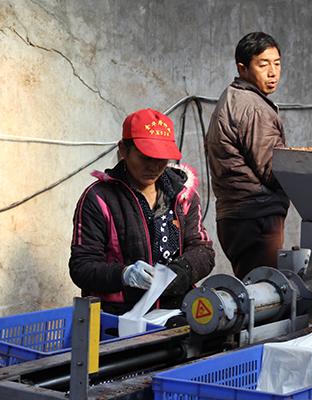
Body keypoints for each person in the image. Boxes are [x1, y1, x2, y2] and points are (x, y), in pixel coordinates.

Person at [69, 108, 215, 316]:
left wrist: (176, 275)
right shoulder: (99, 199)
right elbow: (81, 267)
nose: (154, 166)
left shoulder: (182, 195)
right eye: (146, 156)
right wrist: (124, 274)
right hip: (117, 317)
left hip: (174, 313)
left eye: (162, 158)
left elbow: (203, 251)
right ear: (123, 150)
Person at [207, 32, 289, 279]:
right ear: (242, 68)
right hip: (256, 217)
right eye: (263, 65)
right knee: (262, 297)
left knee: (250, 289)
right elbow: (273, 170)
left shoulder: (232, 97)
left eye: (277, 63)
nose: (273, 72)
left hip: (237, 218)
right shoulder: (253, 106)